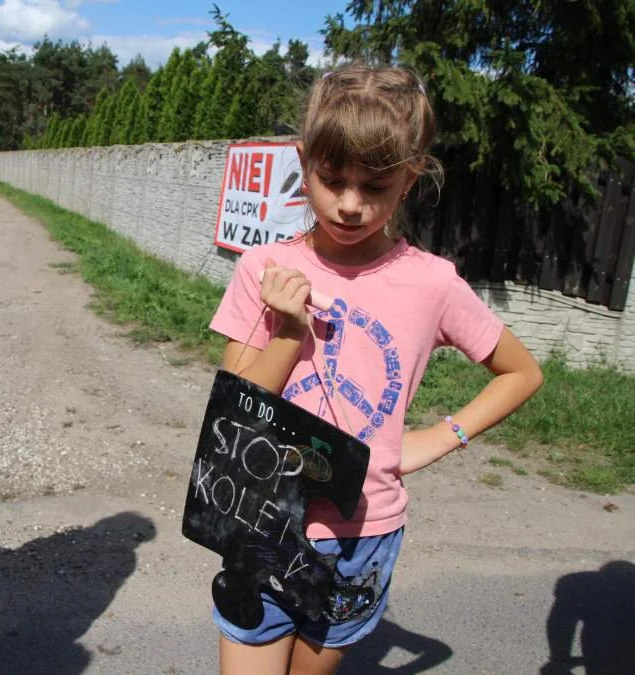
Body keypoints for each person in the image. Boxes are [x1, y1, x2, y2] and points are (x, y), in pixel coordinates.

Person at [208, 65, 544, 675]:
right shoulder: (265, 267)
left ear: (410, 179)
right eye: (332, 180)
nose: (351, 205)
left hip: (362, 535)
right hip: (262, 517)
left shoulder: (433, 283)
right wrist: (288, 331)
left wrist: (439, 438)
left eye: (376, 187)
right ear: (304, 161)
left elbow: (520, 372)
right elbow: (236, 406)